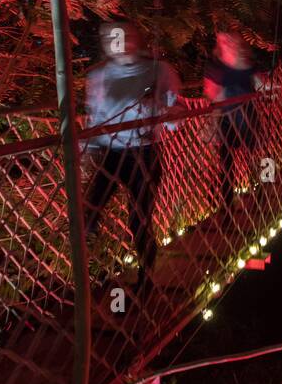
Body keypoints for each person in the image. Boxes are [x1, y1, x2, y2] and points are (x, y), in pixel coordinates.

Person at [83, 20, 181, 286]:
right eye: (112, 38)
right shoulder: (98, 76)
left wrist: (158, 109)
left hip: (144, 153)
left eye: (125, 36)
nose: (120, 43)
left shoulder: (159, 71)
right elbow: (93, 118)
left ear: (137, 38)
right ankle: (87, 272)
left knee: (139, 218)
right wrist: (87, 150)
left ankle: (146, 273)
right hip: (109, 152)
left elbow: (175, 118)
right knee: (89, 212)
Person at [203, 30, 262, 203]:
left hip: (247, 115)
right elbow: (210, 92)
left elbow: (259, 82)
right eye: (222, 41)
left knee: (256, 155)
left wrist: (270, 88)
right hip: (225, 118)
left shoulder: (248, 64)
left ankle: (262, 190)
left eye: (229, 39)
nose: (226, 43)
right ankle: (226, 202)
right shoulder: (214, 66)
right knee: (226, 161)